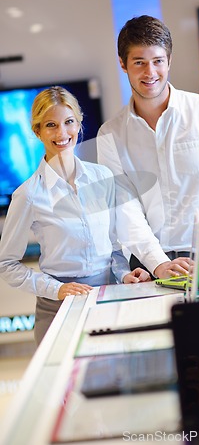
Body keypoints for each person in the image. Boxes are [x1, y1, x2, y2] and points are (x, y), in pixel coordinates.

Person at [97, 15, 199, 280]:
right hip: (149, 267)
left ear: (169, 60)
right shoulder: (110, 135)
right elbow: (126, 213)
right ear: (123, 64)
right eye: (139, 62)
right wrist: (159, 264)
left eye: (157, 61)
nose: (150, 72)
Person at [0, 86, 150, 346]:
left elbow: (113, 245)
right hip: (58, 307)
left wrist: (124, 273)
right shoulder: (28, 195)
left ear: (79, 124)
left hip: (108, 296)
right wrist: (56, 289)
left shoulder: (102, 177)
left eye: (69, 122)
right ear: (37, 131)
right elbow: (6, 264)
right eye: (51, 125)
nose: (61, 133)